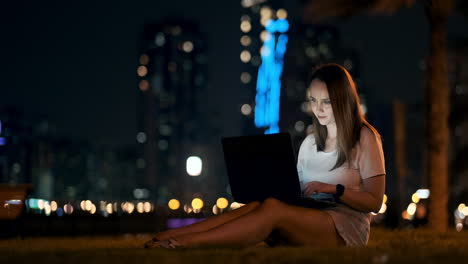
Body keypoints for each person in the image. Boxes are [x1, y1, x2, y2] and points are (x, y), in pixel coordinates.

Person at [144, 63, 386, 249]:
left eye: (326, 102)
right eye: (313, 100)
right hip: (309, 215)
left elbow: (374, 202)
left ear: (342, 101)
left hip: (344, 227)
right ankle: (166, 237)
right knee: (257, 205)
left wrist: (335, 190)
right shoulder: (310, 143)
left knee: (272, 208)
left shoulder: (364, 136)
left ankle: (184, 245)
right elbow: (298, 190)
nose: (318, 109)